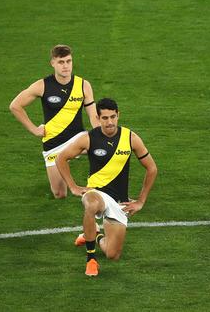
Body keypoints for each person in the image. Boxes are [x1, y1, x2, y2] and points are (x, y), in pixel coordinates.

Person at [56, 98, 157, 276]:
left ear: (118, 115)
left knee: (113, 254)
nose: (109, 122)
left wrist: (141, 201)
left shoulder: (131, 138)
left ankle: (95, 235)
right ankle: (91, 260)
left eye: (113, 117)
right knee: (91, 205)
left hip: (119, 202)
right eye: (105, 118)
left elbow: (152, 168)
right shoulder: (88, 138)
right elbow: (61, 158)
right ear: (98, 118)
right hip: (95, 193)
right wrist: (73, 187)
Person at [9, 44, 99, 198]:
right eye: (61, 62)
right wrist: (34, 129)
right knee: (59, 193)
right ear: (53, 63)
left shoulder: (83, 85)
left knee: (102, 150)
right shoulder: (42, 85)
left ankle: (107, 191)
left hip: (78, 139)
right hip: (54, 143)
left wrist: (101, 134)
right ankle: (65, 164)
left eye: (68, 61)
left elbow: (92, 115)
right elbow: (15, 106)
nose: (66, 66)